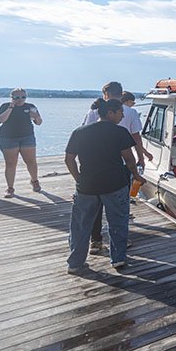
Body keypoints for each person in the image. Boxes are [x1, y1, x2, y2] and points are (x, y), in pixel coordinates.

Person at [65, 98, 145, 273]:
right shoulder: (119, 132)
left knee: (80, 226)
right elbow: (129, 159)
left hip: (87, 186)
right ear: (110, 112)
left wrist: (78, 178)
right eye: (120, 113)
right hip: (115, 184)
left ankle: (75, 263)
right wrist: (137, 175)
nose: (122, 115)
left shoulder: (79, 132)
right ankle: (118, 259)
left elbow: (69, 159)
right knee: (118, 222)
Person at [83, 81, 152, 255]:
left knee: (96, 205)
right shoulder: (130, 112)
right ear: (121, 94)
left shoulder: (94, 112)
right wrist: (141, 159)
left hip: (95, 164)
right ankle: (120, 239)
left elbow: (84, 135)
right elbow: (136, 138)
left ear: (105, 94)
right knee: (120, 206)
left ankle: (96, 240)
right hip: (121, 163)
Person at [0, 88, 42, 197]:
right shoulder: (5, 106)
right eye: (17, 97)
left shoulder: (30, 107)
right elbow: (0, 120)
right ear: (11, 97)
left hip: (27, 137)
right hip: (8, 138)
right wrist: (11, 107)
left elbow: (39, 123)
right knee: (11, 163)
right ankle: (10, 188)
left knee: (31, 161)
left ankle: (34, 181)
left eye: (23, 97)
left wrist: (36, 117)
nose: (20, 99)